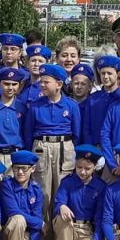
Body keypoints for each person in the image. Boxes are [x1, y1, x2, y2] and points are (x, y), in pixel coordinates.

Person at [26, 62, 82, 207]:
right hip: (42, 148)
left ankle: (59, 220)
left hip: (64, 148)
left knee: (62, 188)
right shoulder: (35, 106)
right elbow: (28, 134)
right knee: (42, 189)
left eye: (46, 82)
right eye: (41, 82)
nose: (42, 85)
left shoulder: (71, 105)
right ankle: (42, 221)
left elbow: (77, 134)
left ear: (59, 84)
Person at [50, 144, 107, 240]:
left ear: (95, 167)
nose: (82, 172)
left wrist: (97, 238)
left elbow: (100, 215)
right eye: (79, 167)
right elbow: (58, 202)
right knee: (62, 218)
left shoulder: (100, 186)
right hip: (69, 227)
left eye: (87, 168)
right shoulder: (67, 182)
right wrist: (62, 206)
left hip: (86, 229)